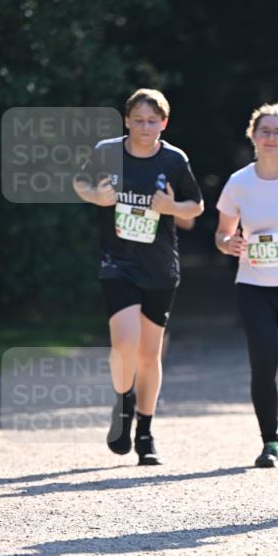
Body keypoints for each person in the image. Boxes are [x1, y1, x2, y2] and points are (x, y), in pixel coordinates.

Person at [73, 88, 204, 465]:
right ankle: (123, 406)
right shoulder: (107, 151)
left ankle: (145, 433)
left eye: (153, 121)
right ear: (126, 120)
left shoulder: (174, 159)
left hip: (160, 266)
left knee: (149, 353)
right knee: (124, 343)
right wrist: (96, 197)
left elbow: (195, 206)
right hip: (117, 262)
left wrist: (170, 206)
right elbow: (80, 183)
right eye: (138, 120)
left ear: (164, 123)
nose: (145, 127)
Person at [215, 103, 278, 467]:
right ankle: (270, 442)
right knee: (262, 363)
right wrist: (228, 244)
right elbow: (222, 234)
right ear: (253, 136)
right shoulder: (239, 182)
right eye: (264, 131)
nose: (271, 137)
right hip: (253, 286)